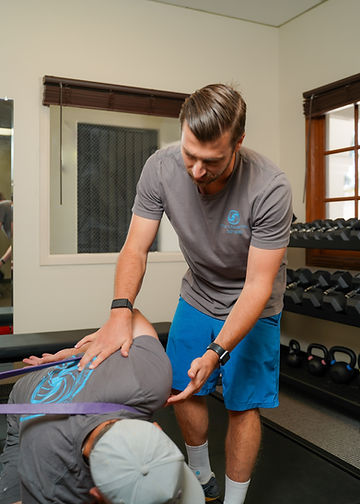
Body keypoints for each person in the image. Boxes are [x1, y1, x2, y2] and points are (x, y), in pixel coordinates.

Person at [74, 84, 293, 504]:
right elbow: (135, 247)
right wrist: (120, 312)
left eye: (210, 161)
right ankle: (201, 476)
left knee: (241, 404)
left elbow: (257, 285)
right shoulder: (160, 167)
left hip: (254, 304)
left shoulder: (270, 187)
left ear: (238, 143)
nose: (195, 170)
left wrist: (216, 353)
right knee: (181, 386)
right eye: (190, 155)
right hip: (197, 294)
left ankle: (233, 499)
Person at [0, 309, 205, 504]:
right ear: (97, 495)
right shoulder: (53, 484)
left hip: (59, 391)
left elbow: (132, 316)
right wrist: (78, 352)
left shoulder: (150, 380)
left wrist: (77, 352)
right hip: (24, 401)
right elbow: (130, 316)